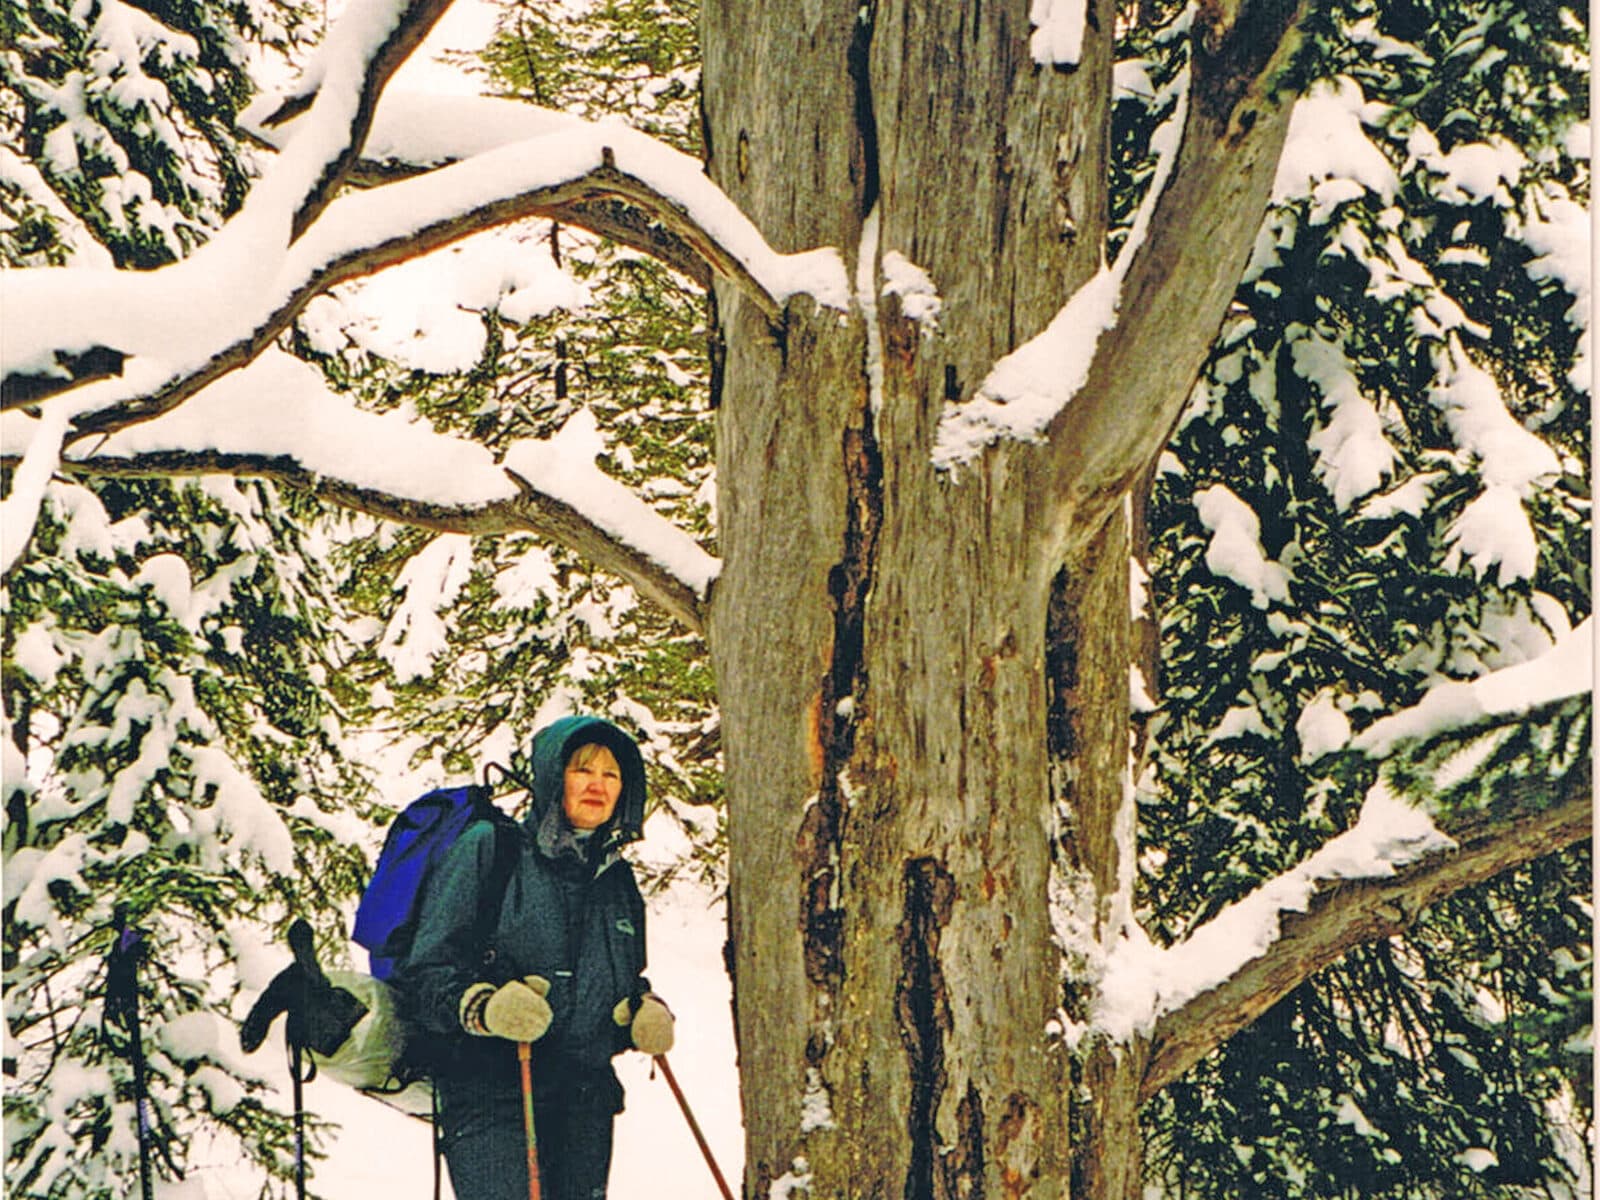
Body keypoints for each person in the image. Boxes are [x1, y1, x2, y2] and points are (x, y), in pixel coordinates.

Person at [395, 715, 675, 1200]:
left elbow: (623, 980)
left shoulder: (618, 881)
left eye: (611, 775)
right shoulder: (493, 850)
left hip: (584, 1096)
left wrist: (644, 1010)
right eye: (582, 770)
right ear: (551, 778)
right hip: (492, 1089)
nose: (597, 785)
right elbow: (425, 972)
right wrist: (484, 1007)